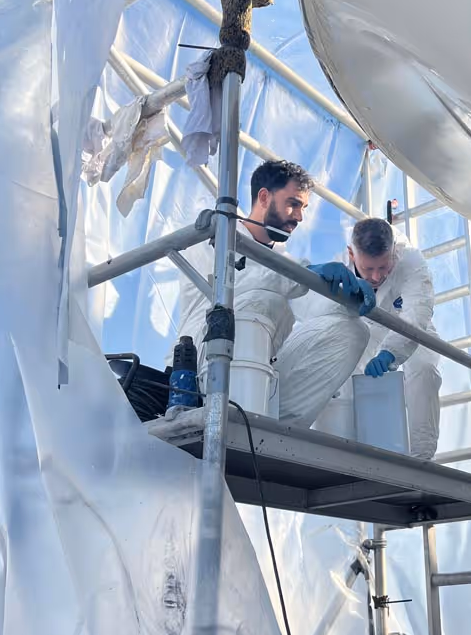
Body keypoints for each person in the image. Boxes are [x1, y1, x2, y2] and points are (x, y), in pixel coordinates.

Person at [173, 159, 375, 425]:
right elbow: (246, 281)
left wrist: (348, 298)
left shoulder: (283, 261)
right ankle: (237, 412)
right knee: (267, 300)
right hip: (204, 370)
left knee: (354, 331)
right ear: (265, 197)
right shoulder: (216, 236)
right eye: (293, 203)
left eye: (303, 208)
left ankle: (274, 426)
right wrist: (307, 273)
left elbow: (313, 309)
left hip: (259, 372)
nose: (300, 217)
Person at [308, 217, 442, 460]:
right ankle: (351, 454)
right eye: (369, 269)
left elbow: (417, 311)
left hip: (407, 325)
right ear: (351, 253)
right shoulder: (336, 259)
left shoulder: (411, 259)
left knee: (424, 369)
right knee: (345, 381)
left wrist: (391, 351)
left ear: (393, 252)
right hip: (360, 325)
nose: (377, 276)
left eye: (384, 266)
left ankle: (421, 459)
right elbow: (314, 314)